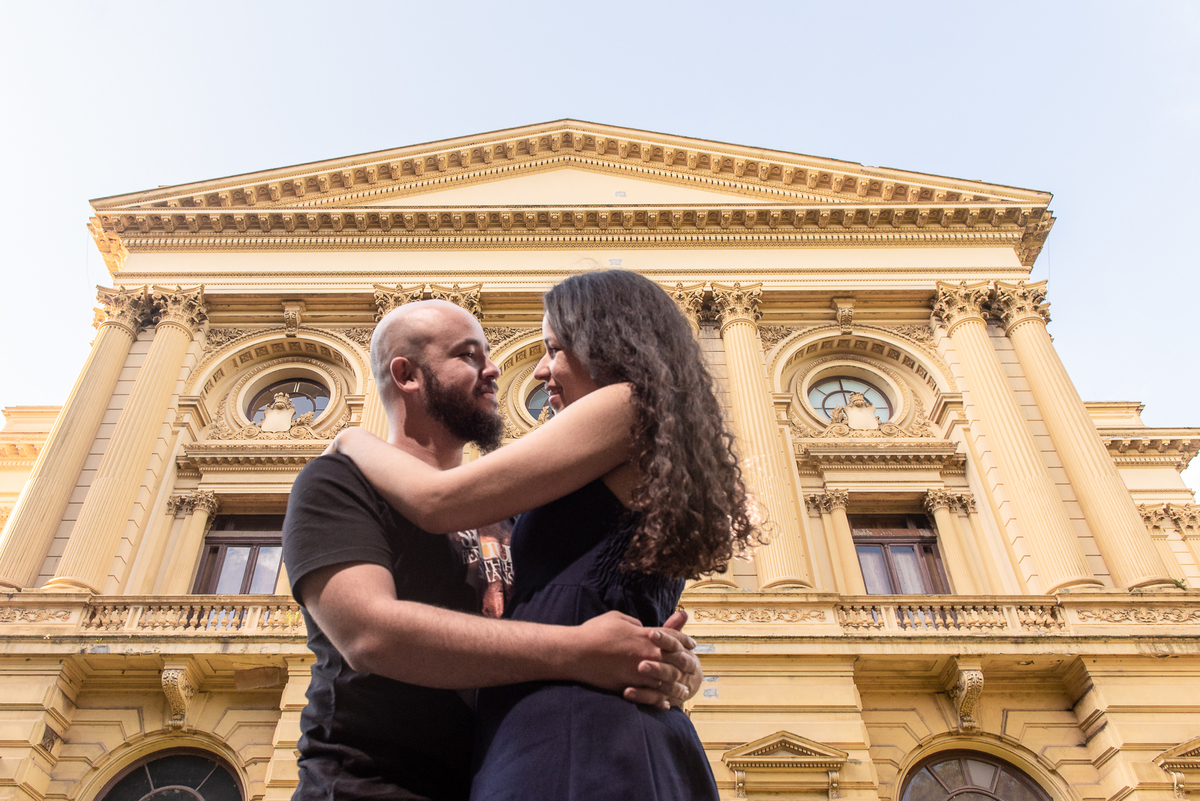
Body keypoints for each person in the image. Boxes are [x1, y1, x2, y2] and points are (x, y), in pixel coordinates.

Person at [331, 270, 759, 801]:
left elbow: (437, 503)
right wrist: (668, 658)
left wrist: (351, 440)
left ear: (608, 344)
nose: (539, 370)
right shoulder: (654, 431)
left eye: (555, 348)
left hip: (575, 729)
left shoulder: (623, 405)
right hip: (590, 721)